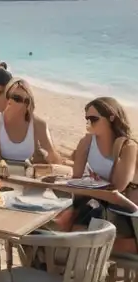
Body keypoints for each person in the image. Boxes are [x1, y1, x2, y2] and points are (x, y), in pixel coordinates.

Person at [54, 97, 138, 249]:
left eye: (94, 119)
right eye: (87, 119)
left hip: (127, 203)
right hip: (104, 200)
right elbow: (76, 178)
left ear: (111, 118)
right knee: (80, 215)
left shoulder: (127, 146)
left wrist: (116, 152)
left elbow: (119, 185)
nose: (89, 123)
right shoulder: (87, 142)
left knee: (87, 218)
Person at [0, 78, 61, 168]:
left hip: (28, 175)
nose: (23, 104)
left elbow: (53, 157)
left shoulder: (38, 124)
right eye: (17, 98)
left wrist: (51, 160)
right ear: (7, 98)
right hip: (1, 174)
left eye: (27, 101)